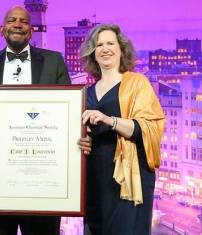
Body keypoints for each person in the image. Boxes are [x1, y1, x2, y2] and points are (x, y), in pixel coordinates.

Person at [0, 5, 91, 235]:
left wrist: (78, 136)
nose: (18, 24)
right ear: (2, 30)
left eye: (23, 21)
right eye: (12, 20)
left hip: (45, 175)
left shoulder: (54, 61)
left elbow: (69, 111)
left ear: (31, 31)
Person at [78, 24, 166, 235]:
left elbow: (149, 127)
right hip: (93, 178)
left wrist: (110, 120)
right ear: (93, 53)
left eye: (110, 43)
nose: (104, 48)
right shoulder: (86, 92)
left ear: (121, 49)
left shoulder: (138, 83)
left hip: (127, 178)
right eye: (99, 44)